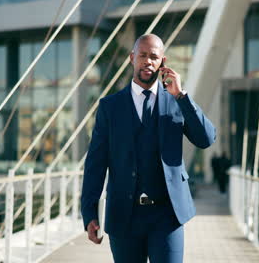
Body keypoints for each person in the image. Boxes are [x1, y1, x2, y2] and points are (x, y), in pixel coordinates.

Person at [80, 34, 216, 263]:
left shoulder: (176, 102)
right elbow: (95, 163)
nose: (148, 61)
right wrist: (89, 213)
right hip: (124, 215)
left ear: (162, 61)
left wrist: (182, 96)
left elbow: (206, 139)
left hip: (167, 215)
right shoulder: (109, 107)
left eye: (154, 56)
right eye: (142, 55)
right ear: (132, 58)